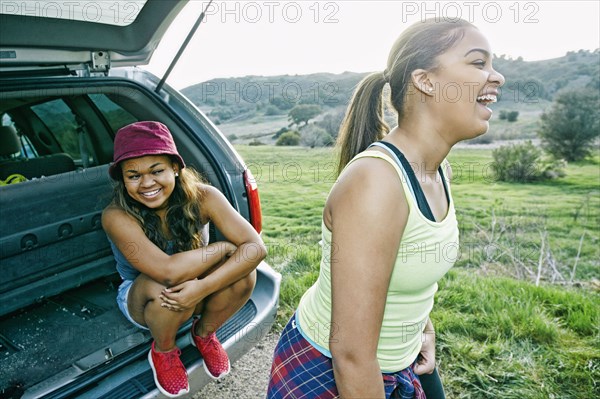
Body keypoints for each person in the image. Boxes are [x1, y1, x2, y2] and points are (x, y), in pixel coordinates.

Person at [267, 18, 505, 399]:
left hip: (397, 362)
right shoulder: (376, 183)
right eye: (478, 63)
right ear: (425, 81)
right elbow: (352, 354)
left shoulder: (437, 169)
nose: (498, 77)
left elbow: (403, 269)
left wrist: (419, 328)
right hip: (331, 371)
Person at [102, 121, 266, 398]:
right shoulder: (116, 215)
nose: (147, 183)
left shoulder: (204, 196)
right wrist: (224, 248)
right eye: (133, 175)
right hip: (144, 297)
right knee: (164, 285)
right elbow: (167, 272)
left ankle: (203, 333)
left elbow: (256, 249)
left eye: (157, 171)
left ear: (175, 168)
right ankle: (163, 351)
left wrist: (202, 288)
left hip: (196, 286)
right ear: (122, 179)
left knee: (245, 274)